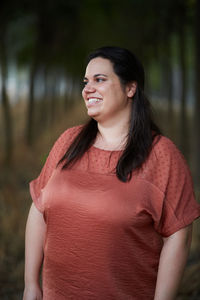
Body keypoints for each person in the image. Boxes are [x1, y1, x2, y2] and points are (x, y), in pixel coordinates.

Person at [23, 46, 200, 300]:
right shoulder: (68, 141)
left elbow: (178, 235)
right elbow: (38, 208)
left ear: (131, 88)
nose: (87, 88)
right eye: (86, 81)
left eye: (100, 80)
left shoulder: (162, 155)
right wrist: (31, 284)